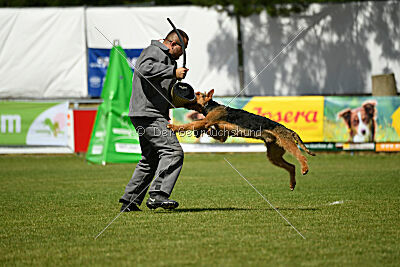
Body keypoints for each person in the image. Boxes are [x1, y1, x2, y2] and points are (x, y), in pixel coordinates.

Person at [119, 29, 189, 211]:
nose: (183, 53)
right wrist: (173, 71)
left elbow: (162, 92)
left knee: (150, 159)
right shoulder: (155, 51)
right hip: (149, 115)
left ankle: (130, 201)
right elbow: (143, 69)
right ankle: (158, 195)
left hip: (146, 113)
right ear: (173, 44)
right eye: (183, 48)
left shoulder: (167, 59)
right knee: (173, 152)